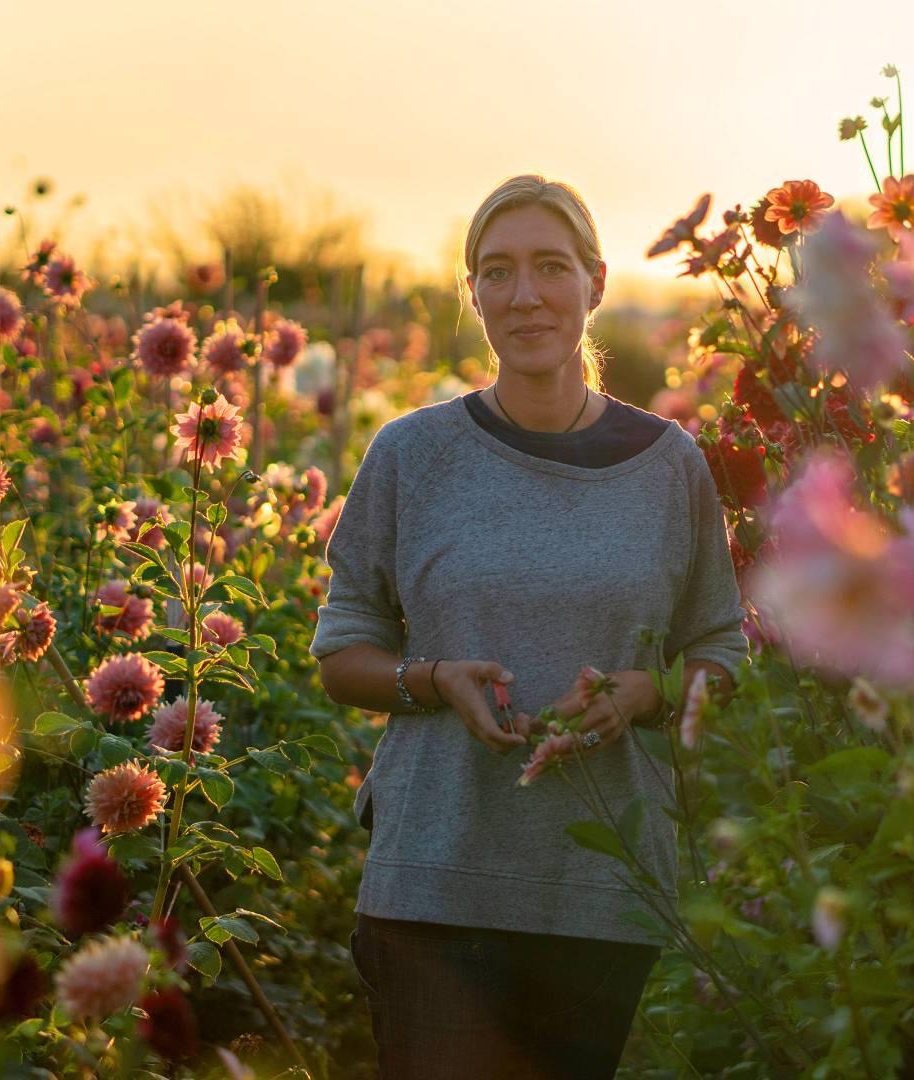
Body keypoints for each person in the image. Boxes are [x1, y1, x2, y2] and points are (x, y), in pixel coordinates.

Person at [311, 174, 748, 1078]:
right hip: (434, 882)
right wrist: (433, 681)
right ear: (473, 296)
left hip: (602, 892)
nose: (526, 294)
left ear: (595, 280)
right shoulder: (411, 454)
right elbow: (342, 651)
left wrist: (647, 694)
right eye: (498, 272)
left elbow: (720, 647)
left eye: (551, 267)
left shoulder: (669, 467)